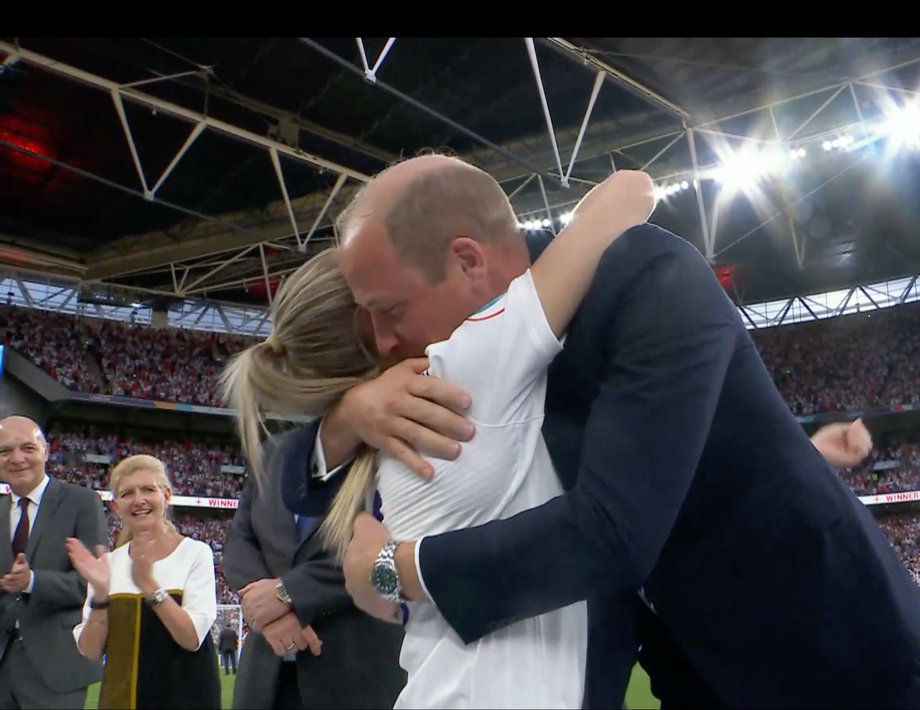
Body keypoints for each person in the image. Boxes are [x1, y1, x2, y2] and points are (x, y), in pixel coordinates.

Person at [275, 154, 920, 709]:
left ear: (469, 262)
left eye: (390, 313)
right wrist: (351, 412)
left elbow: (612, 534)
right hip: (692, 664)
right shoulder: (476, 358)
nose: (386, 345)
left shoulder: (647, 279)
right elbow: (301, 484)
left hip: (830, 646)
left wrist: (390, 569)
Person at [221, 169, 658, 707]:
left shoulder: (380, 449)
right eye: (388, 307)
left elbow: (379, 590)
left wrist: (383, 566)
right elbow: (630, 191)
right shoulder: (466, 368)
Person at [221, 436, 406, 710]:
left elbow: (391, 544)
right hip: (267, 673)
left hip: (358, 671)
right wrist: (270, 608)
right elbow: (240, 539)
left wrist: (288, 593)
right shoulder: (274, 450)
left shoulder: (392, 446)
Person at [68, 454, 221, 709]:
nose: (139, 500)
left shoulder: (195, 553)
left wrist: (149, 585)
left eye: (148, 489)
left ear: (167, 495)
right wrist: (101, 595)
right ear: (116, 506)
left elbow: (191, 638)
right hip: (120, 700)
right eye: (127, 493)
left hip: (185, 698)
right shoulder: (107, 565)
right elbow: (91, 651)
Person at [0, 415, 106, 710]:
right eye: (5, 451)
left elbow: (93, 582)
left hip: (55, 666)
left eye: (27, 448)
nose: (16, 458)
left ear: (45, 450)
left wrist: (32, 581)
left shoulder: (81, 502)